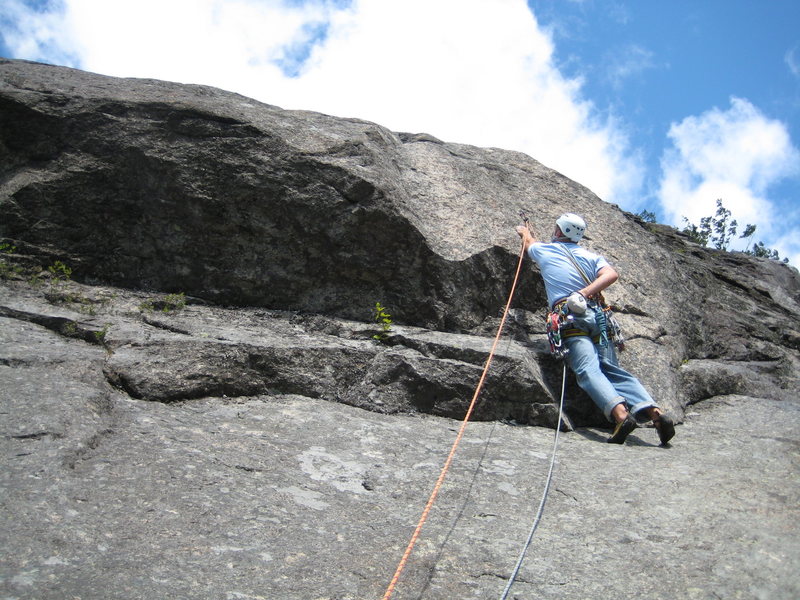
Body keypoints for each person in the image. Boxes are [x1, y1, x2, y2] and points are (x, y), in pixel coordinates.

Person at [516, 213, 675, 445]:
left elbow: (529, 245)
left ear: (559, 232)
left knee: (588, 369)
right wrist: (585, 292)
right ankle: (655, 414)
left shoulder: (545, 250)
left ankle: (621, 415)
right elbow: (611, 274)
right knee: (611, 368)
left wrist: (525, 232)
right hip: (599, 316)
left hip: (569, 316)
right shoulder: (591, 256)